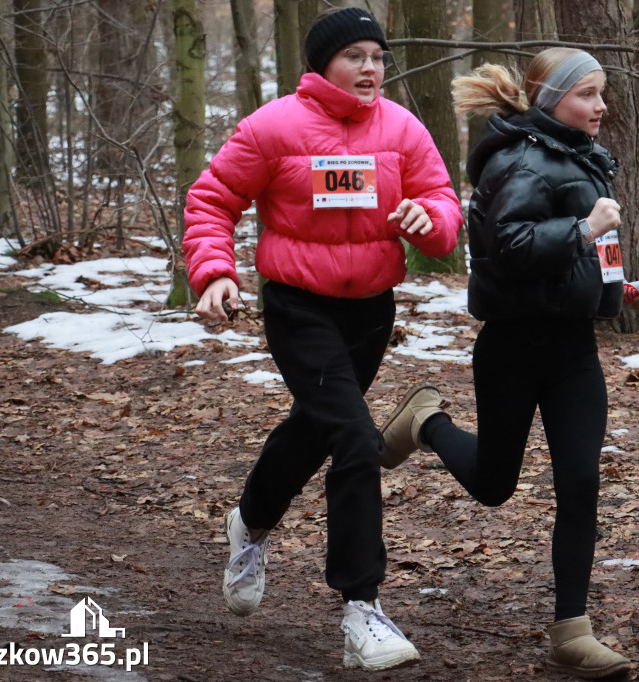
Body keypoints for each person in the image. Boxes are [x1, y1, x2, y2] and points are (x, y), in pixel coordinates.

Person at [182, 7, 462, 672]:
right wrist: (215, 272)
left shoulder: (402, 128)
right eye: (355, 56)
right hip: (298, 307)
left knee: (317, 428)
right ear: (323, 62)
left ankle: (248, 524)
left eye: (378, 57)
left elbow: (444, 211)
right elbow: (213, 197)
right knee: (356, 438)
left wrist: (428, 221)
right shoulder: (275, 126)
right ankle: (361, 608)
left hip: (370, 310)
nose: (370, 69)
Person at [379, 48, 639, 680]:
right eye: (588, 94)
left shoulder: (582, 158)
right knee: (494, 485)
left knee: (581, 484)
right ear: (551, 99)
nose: (601, 105)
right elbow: (505, 250)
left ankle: (571, 630)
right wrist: (585, 230)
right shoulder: (516, 161)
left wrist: (616, 292)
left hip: (572, 352)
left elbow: (587, 250)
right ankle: (426, 421)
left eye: (602, 92)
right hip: (512, 348)